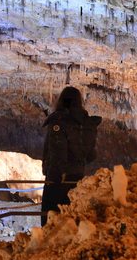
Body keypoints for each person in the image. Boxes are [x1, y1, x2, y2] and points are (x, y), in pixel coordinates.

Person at [40, 86, 101, 226]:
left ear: (62, 100)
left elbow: (57, 153)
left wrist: (53, 179)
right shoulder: (88, 124)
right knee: (72, 221)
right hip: (78, 180)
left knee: (51, 222)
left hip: (58, 180)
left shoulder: (59, 122)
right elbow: (91, 155)